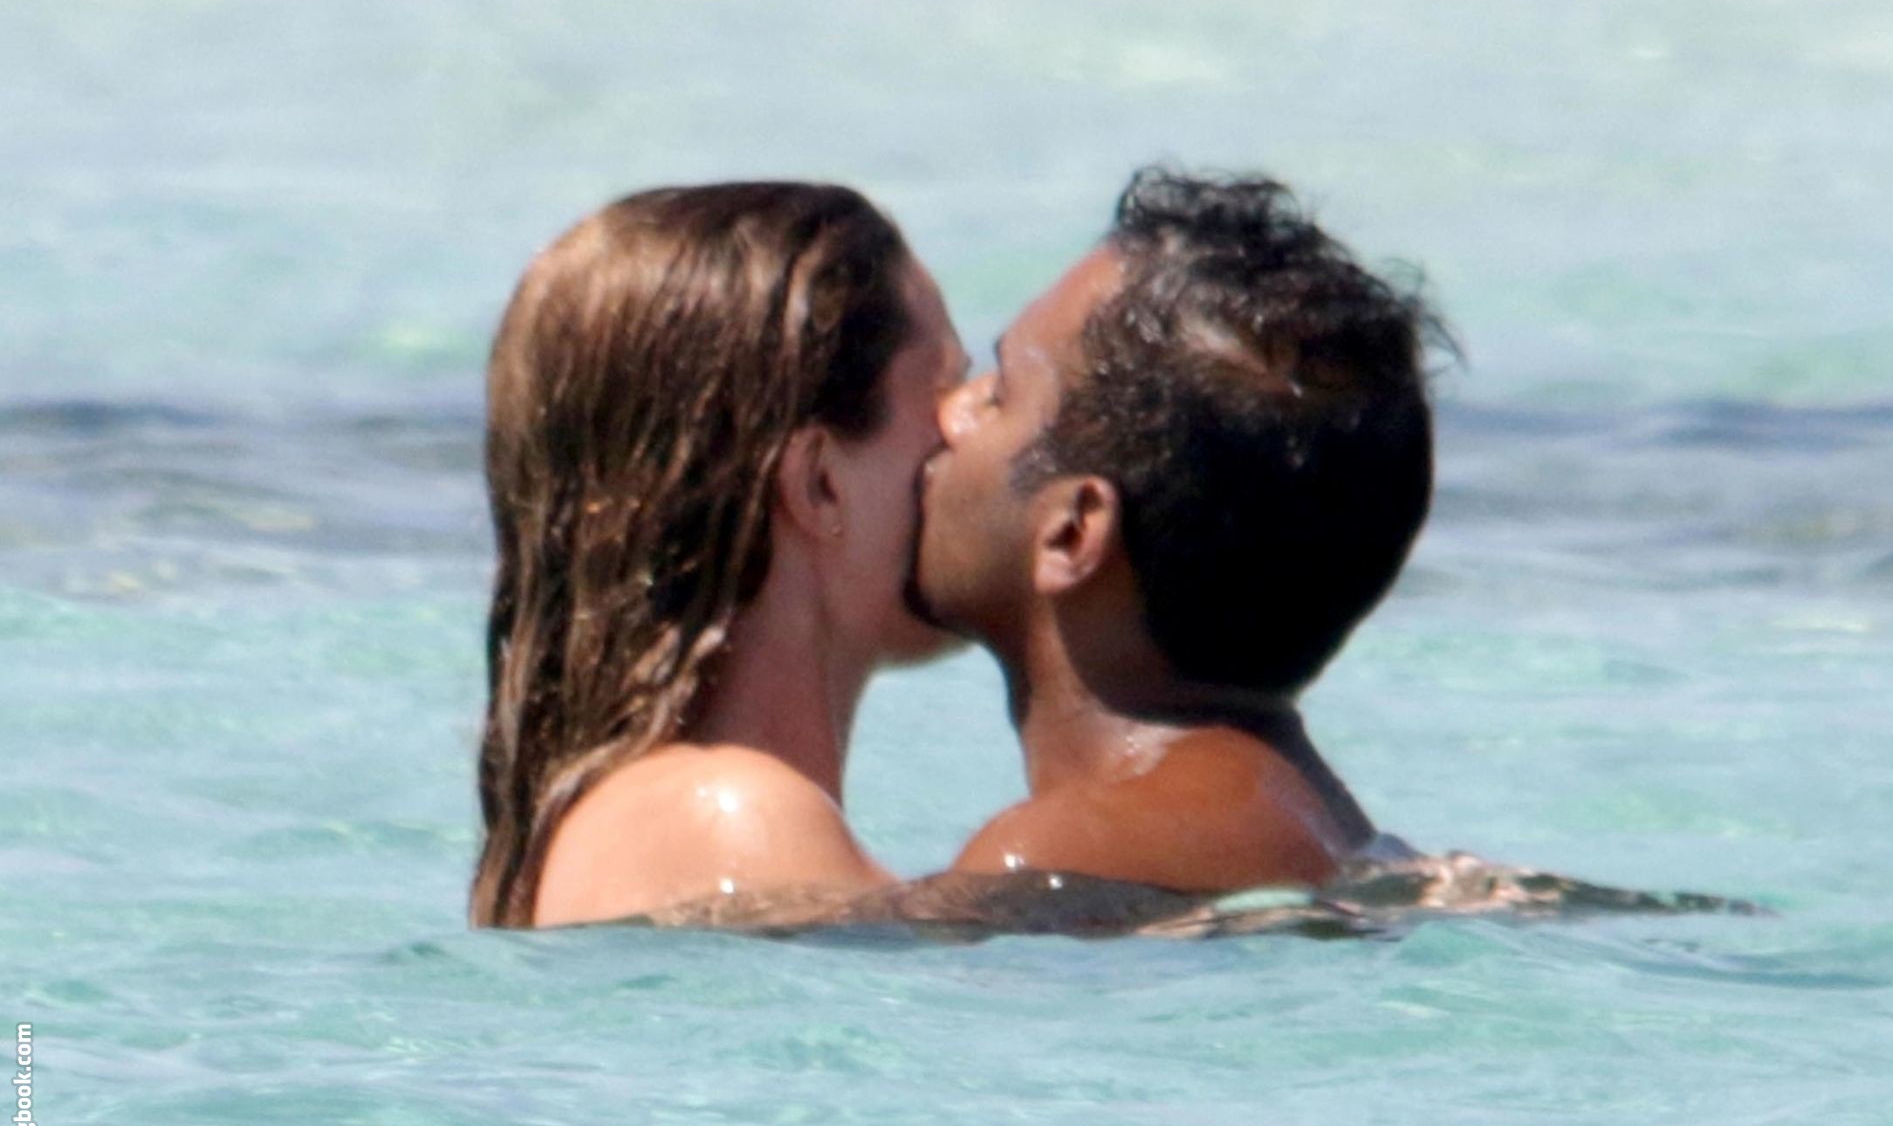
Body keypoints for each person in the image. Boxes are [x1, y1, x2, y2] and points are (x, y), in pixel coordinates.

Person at [912, 168, 1445, 894]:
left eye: (999, 395)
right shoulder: (1324, 831)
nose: (951, 412)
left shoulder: (1057, 856)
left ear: (1072, 534)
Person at [470, 183, 968, 928]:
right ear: (820, 484)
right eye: (949, 391)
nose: (974, 430)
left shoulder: (648, 819)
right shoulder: (735, 820)